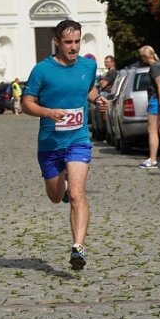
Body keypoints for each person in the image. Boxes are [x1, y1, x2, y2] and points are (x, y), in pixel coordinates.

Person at [21, 19, 107, 271]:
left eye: (77, 41)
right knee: (56, 196)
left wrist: (98, 99)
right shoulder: (42, 70)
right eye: (68, 42)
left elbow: (87, 90)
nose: (73, 47)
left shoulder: (88, 66)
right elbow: (27, 103)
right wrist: (48, 112)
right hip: (50, 144)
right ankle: (63, 189)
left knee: (78, 193)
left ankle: (78, 248)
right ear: (57, 42)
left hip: (79, 139)